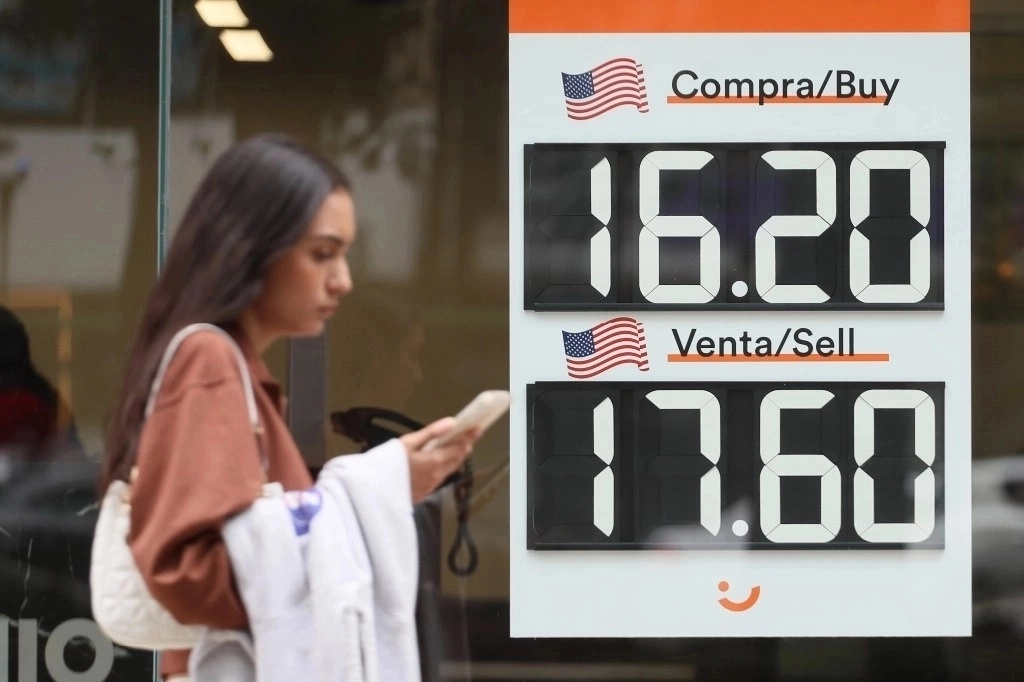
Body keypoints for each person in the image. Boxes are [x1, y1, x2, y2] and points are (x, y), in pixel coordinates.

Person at [97, 133, 480, 681]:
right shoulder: (210, 362)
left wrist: (392, 482)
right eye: (322, 253)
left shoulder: (233, 369)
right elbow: (186, 572)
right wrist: (374, 488)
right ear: (250, 249)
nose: (342, 280)